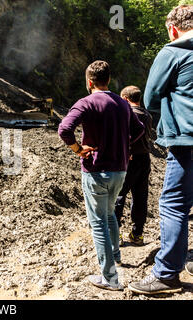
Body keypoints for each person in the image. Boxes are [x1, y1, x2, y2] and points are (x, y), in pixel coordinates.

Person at [58, 61, 145, 291]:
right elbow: (139, 130)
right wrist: (124, 146)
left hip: (96, 170)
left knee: (98, 222)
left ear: (89, 82)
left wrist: (78, 149)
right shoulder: (122, 103)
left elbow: (64, 130)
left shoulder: (85, 103)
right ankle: (115, 255)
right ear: (108, 79)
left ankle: (110, 278)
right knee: (109, 215)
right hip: (120, 170)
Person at [129, 5, 193, 295]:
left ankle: (166, 273)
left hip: (186, 142)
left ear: (173, 29)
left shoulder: (173, 52)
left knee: (173, 205)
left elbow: (151, 96)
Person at [114, 86, 153, 246]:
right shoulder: (147, 115)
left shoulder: (126, 114)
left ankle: (115, 234)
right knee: (140, 197)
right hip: (144, 159)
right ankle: (137, 234)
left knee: (118, 195)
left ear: (124, 98)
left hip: (128, 159)